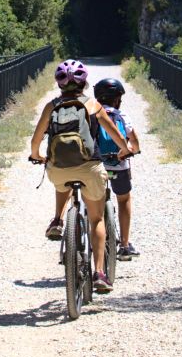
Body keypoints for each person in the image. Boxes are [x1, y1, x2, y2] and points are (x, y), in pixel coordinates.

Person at [29, 59, 132, 293]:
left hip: (58, 169)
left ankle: (57, 219)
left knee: (61, 179)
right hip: (90, 167)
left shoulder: (51, 106)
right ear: (85, 83)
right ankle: (99, 273)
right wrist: (123, 149)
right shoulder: (94, 105)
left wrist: (37, 156)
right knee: (96, 219)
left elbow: (35, 142)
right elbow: (116, 136)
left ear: (59, 84)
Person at [92, 77, 141, 260]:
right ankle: (125, 245)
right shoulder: (122, 116)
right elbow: (134, 143)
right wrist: (131, 150)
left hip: (96, 165)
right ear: (117, 99)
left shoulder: (92, 114)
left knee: (94, 203)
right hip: (118, 166)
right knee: (123, 199)